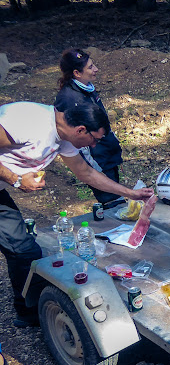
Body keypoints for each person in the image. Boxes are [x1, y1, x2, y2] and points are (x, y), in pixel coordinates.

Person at [0, 101, 154, 327]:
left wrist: (130, 193)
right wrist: (15, 179)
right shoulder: (27, 121)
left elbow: (86, 173)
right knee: (24, 250)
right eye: (94, 139)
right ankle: (30, 312)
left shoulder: (65, 136)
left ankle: (29, 313)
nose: (93, 145)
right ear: (80, 130)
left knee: (24, 251)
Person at [55, 48, 125, 206]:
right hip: (97, 160)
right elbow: (76, 140)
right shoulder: (69, 99)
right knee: (113, 203)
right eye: (91, 67)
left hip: (107, 153)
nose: (96, 69)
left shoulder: (87, 89)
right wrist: (95, 167)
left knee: (116, 199)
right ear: (77, 73)